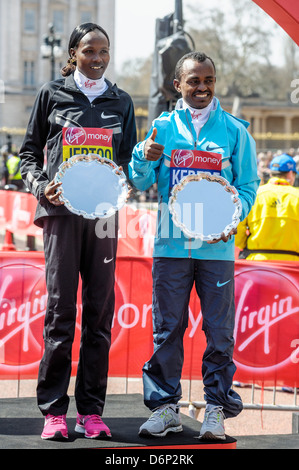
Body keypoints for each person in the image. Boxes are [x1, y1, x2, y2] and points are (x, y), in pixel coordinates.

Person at [129, 51, 259, 440]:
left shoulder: (236, 131)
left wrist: (234, 219)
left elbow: (248, 187)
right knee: (167, 330)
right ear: (177, 85)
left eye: (209, 80)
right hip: (171, 246)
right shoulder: (162, 127)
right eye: (194, 81)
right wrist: (142, 157)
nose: (202, 88)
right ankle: (165, 409)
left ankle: (215, 410)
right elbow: (139, 181)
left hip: (216, 250)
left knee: (219, 333)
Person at [19, 22, 137, 440]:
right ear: (73, 53)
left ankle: (91, 412)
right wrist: (40, 185)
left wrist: (130, 178)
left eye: (104, 50)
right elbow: (28, 155)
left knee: (100, 315)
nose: (98, 57)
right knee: (60, 312)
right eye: (89, 51)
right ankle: (53, 412)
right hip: (60, 215)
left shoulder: (121, 101)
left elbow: (129, 165)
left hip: (104, 218)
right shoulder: (52, 94)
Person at [235, 153, 299, 261]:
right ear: (290, 174)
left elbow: (237, 230)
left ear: (271, 174)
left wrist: (246, 246)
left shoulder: (255, 195)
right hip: (292, 266)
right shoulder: (296, 196)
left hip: (257, 263)